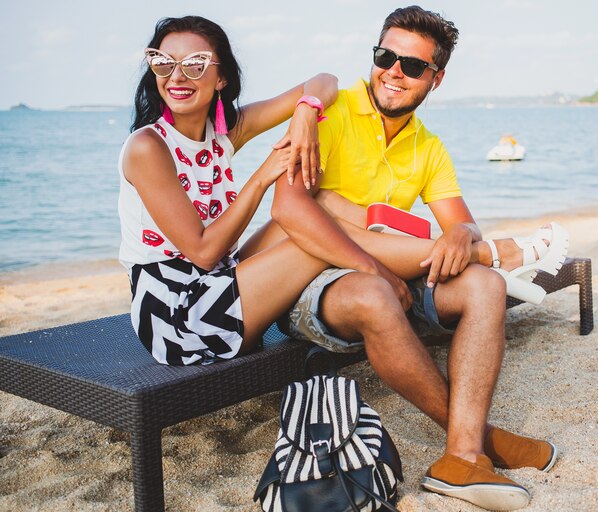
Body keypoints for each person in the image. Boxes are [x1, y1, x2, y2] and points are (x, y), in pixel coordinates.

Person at [241, 6, 568, 511]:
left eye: (413, 66)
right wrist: (370, 264)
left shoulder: (429, 147)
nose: (394, 71)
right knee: (363, 273)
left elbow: (460, 218)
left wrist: (463, 234)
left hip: (390, 266)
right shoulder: (330, 109)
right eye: (385, 56)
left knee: (486, 285)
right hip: (309, 276)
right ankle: (486, 438)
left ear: (435, 79)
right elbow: (287, 208)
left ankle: (461, 456)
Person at [118, 15, 338, 366]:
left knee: (325, 209)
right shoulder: (147, 147)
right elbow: (203, 252)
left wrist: (307, 112)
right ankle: (382, 278)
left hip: (219, 280)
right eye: (164, 62)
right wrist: (262, 177)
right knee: (321, 239)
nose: (177, 76)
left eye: (195, 64)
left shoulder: (224, 132)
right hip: (177, 316)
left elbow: (325, 81)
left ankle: (389, 271)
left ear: (221, 77)